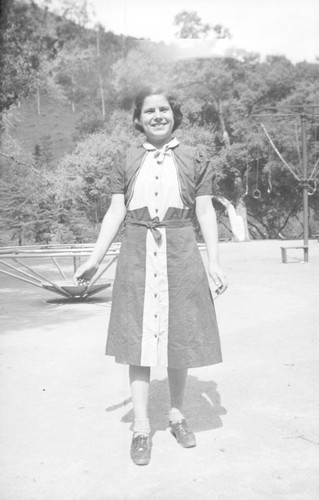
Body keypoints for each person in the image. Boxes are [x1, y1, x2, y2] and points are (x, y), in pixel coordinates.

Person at [74, 88, 227, 466]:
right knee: (137, 339)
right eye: (149, 111)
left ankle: (176, 414)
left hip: (180, 249)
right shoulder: (125, 159)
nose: (157, 116)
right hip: (137, 250)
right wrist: (95, 258)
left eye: (164, 110)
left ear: (174, 114)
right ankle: (141, 427)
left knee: (181, 333)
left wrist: (214, 262)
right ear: (138, 119)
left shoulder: (195, 158)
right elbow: (114, 212)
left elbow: (205, 213)